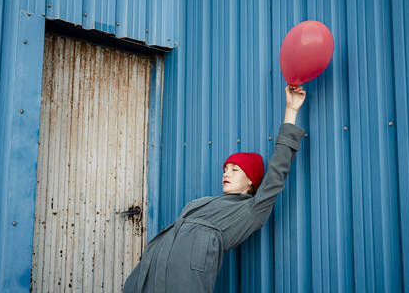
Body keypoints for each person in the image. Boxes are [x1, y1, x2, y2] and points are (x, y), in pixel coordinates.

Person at [123, 85, 306, 292]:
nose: (226, 173)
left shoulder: (251, 210)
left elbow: (277, 173)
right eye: (225, 169)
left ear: (251, 181)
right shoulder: (203, 203)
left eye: (235, 170)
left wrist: (291, 110)